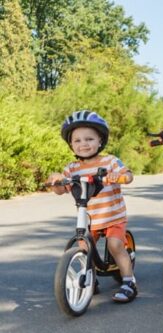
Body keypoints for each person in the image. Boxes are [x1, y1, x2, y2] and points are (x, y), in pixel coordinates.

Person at [48, 110, 137, 303]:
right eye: (77, 140)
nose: (84, 144)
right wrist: (56, 180)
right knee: (83, 247)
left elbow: (127, 174)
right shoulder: (72, 168)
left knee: (115, 245)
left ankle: (129, 282)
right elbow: (61, 189)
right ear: (71, 144)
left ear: (100, 141)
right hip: (90, 218)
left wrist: (119, 176)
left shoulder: (110, 161)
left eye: (89, 139)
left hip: (113, 216)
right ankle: (90, 278)